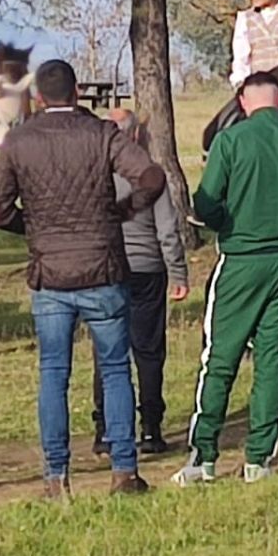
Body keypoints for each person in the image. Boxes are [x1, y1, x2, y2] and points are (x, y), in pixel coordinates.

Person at [0, 59, 165, 496]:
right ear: (78, 91)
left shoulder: (19, 141)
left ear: (39, 98)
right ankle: (124, 471)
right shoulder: (102, 134)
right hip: (102, 268)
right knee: (116, 368)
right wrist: (124, 210)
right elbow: (152, 176)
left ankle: (56, 477)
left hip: (50, 275)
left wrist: (30, 226)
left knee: (53, 373)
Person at [175, 70, 278, 485]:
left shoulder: (230, 141)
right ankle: (258, 461)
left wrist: (222, 215)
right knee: (273, 361)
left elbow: (205, 207)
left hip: (241, 261)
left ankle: (204, 457)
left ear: (244, 103)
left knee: (220, 358)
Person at [93, 109, 190, 459]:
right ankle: (151, 427)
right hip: (147, 269)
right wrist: (177, 273)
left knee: (106, 351)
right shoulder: (150, 174)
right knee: (148, 352)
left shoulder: (95, 173)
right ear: (135, 137)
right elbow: (167, 230)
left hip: (106, 270)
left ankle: (105, 429)